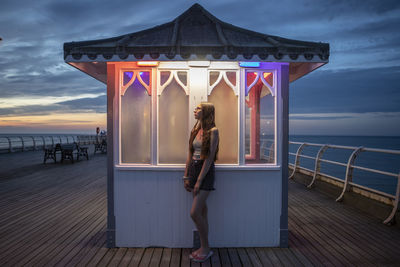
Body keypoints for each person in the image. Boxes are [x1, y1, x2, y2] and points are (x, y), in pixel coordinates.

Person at [183, 102, 219, 263]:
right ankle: (204, 247)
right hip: (193, 169)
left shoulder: (213, 131)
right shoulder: (195, 130)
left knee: (194, 213)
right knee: (202, 212)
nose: (195, 110)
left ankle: (206, 247)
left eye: (198, 109)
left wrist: (198, 181)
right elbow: (190, 155)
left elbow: (210, 158)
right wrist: (186, 176)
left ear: (206, 112)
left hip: (205, 172)